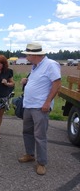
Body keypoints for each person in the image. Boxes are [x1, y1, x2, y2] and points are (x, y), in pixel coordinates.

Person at [18, 42, 61, 175]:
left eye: (27, 55)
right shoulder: (35, 66)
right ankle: (30, 154)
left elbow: (57, 84)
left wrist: (48, 102)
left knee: (40, 135)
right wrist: (27, 81)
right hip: (29, 105)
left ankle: (42, 163)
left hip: (40, 107)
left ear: (33, 55)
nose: (26, 57)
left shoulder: (50, 65)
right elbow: (40, 82)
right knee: (27, 132)